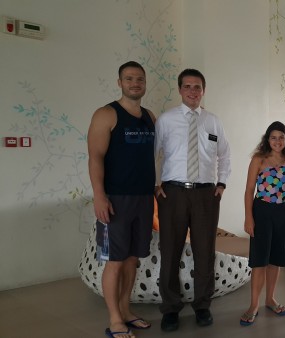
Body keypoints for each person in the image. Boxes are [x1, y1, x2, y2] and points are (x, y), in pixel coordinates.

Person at [154, 68, 231, 331]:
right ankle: (171, 308)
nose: (192, 91)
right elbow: (153, 154)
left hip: (205, 194)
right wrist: (156, 186)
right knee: (170, 251)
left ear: (203, 90)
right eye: (187, 86)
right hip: (173, 193)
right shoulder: (166, 120)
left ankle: (202, 305)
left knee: (204, 251)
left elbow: (225, 155)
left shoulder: (212, 121)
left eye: (197, 87)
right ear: (180, 90)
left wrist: (221, 184)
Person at [88, 61, 156, 338]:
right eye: (129, 79)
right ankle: (115, 319)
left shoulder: (150, 116)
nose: (135, 83)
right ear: (120, 82)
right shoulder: (106, 114)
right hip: (115, 199)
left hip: (143, 198)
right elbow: (95, 158)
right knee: (114, 260)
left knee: (131, 260)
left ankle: (126, 311)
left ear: (144, 83)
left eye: (139, 79)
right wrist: (99, 196)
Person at [240, 121, 285, 326]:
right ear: (267, 139)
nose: (277, 141)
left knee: (276, 259)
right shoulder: (259, 159)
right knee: (259, 261)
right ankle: (253, 304)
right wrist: (249, 217)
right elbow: (248, 190)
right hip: (261, 210)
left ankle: (270, 299)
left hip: (282, 212)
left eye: (281, 137)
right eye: (273, 137)